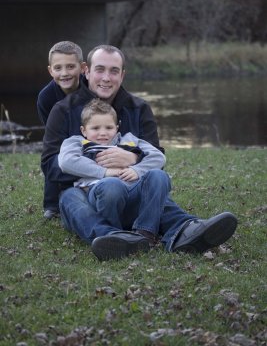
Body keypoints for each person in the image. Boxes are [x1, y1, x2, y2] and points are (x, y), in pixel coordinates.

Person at [41, 44, 238, 261]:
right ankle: (113, 238)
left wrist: (134, 159)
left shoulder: (139, 108)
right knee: (71, 200)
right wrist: (100, 167)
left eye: (114, 71)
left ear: (122, 75)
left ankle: (185, 230)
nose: (106, 77)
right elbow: (50, 164)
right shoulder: (63, 110)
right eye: (100, 69)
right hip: (82, 191)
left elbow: (156, 158)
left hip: (130, 186)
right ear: (86, 71)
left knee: (152, 189)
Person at [58, 98, 171, 259]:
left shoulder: (128, 141)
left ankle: (145, 234)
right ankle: (113, 237)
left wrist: (137, 169)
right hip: (96, 194)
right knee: (109, 186)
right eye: (95, 128)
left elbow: (158, 157)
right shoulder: (77, 142)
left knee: (160, 176)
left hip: (131, 193)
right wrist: (105, 172)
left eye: (109, 127)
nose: (103, 133)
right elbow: (66, 162)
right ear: (84, 130)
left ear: (117, 128)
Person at [37, 41, 86, 219]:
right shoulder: (46, 97)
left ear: (82, 68)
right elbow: (51, 134)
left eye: (70, 67)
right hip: (61, 136)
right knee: (57, 154)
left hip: (91, 131)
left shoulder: (92, 87)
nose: (64, 73)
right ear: (50, 70)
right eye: (58, 68)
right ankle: (51, 204)